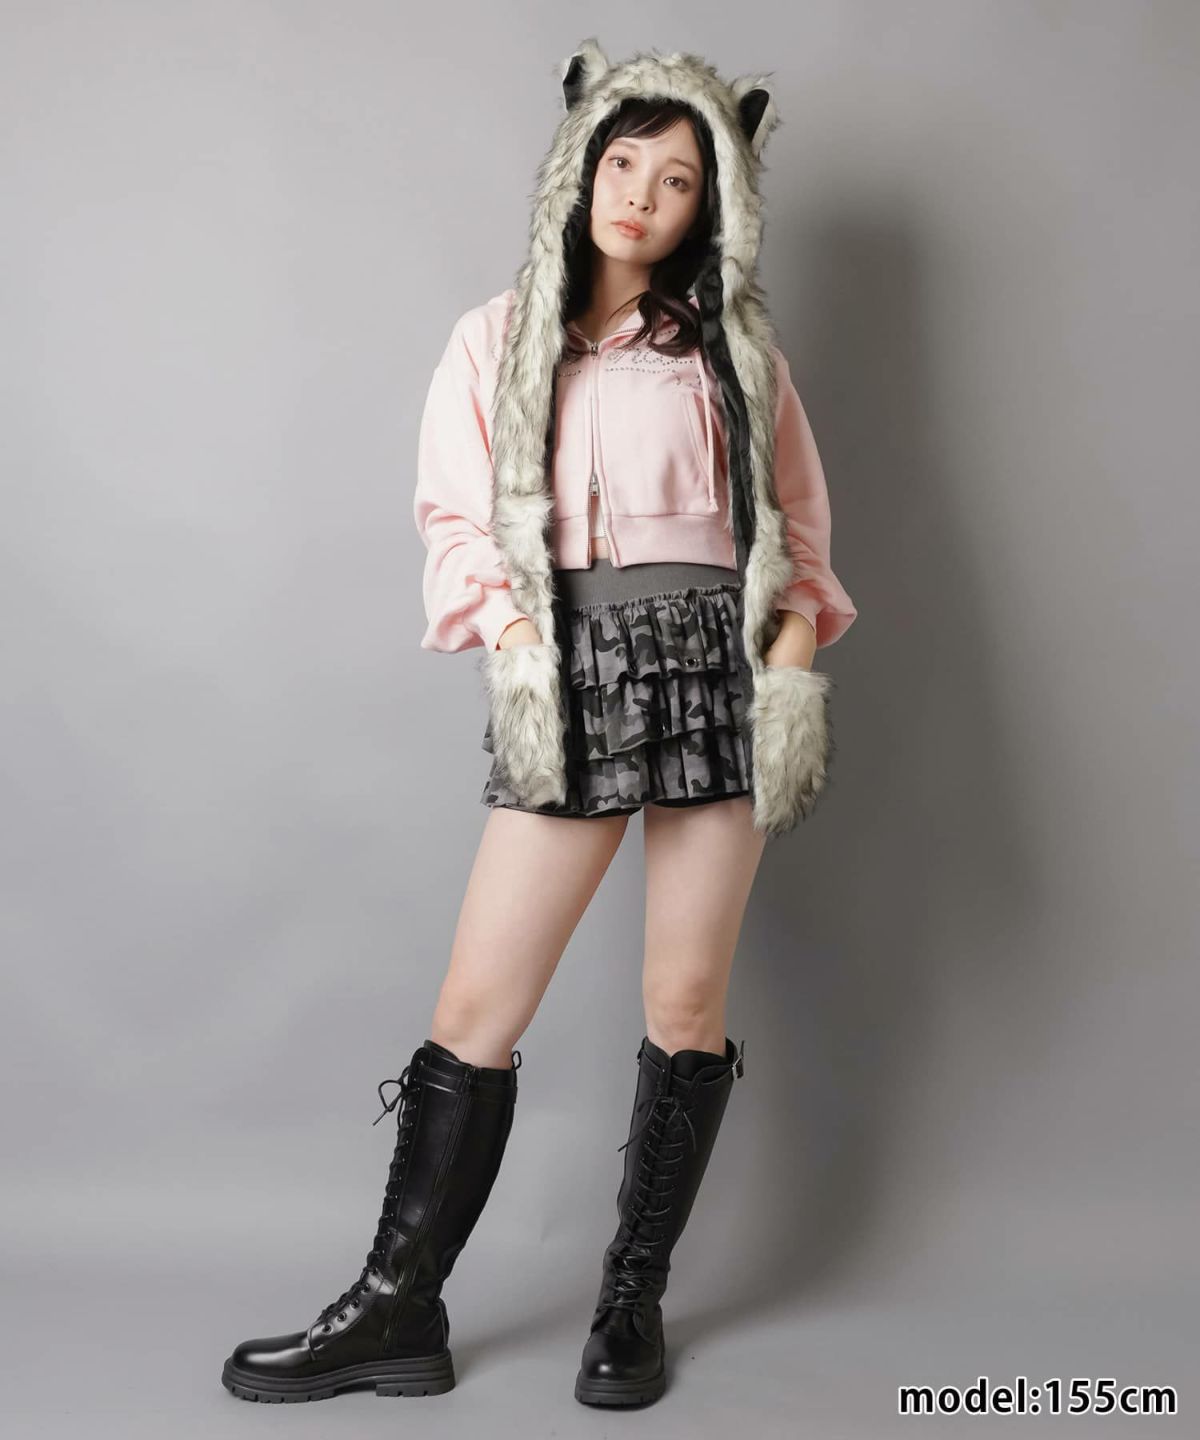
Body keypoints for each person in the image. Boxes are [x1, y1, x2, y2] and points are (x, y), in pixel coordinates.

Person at [220, 37, 857, 1411]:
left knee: (685, 1002)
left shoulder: (737, 356)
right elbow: (458, 524)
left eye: (677, 179)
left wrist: (789, 671)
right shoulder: (495, 337)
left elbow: (797, 540)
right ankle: (400, 1305)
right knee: (477, 1007)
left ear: (711, 207)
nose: (641, 196)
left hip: (721, 672)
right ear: (580, 167)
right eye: (623, 163)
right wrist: (525, 654)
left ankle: (632, 1299)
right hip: (571, 670)